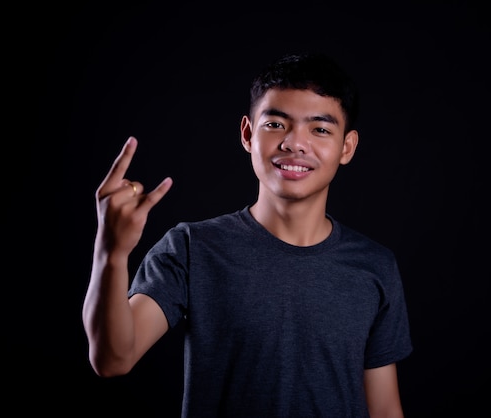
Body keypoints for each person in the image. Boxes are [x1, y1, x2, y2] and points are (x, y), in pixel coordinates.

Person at [83, 52, 413, 417]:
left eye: (319, 129)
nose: (294, 143)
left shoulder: (375, 266)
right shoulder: (193, 249)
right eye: (276, 124)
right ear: (247, 134)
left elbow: (384, 408)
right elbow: (113, 358)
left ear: (346, 147)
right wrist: (110, 254)